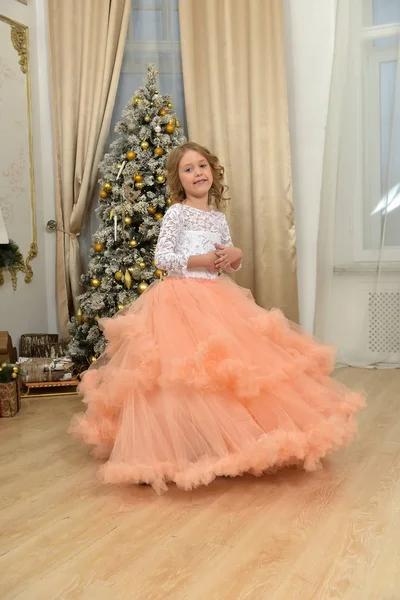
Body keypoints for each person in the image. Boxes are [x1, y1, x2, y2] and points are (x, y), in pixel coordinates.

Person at [70, 142, 365, 494]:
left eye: (202, 166)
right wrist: (201, 261)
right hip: (180, 299)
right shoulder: (177, 214)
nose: (198, 173)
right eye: (188, 169)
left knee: (228, 372)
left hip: (217, 297)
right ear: (179, 180)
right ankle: (186, 444)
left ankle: (227, 441)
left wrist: (234, 255)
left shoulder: (217, 218)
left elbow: (227, 260)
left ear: (213, 171)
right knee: (184, 376)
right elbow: (162, 258)